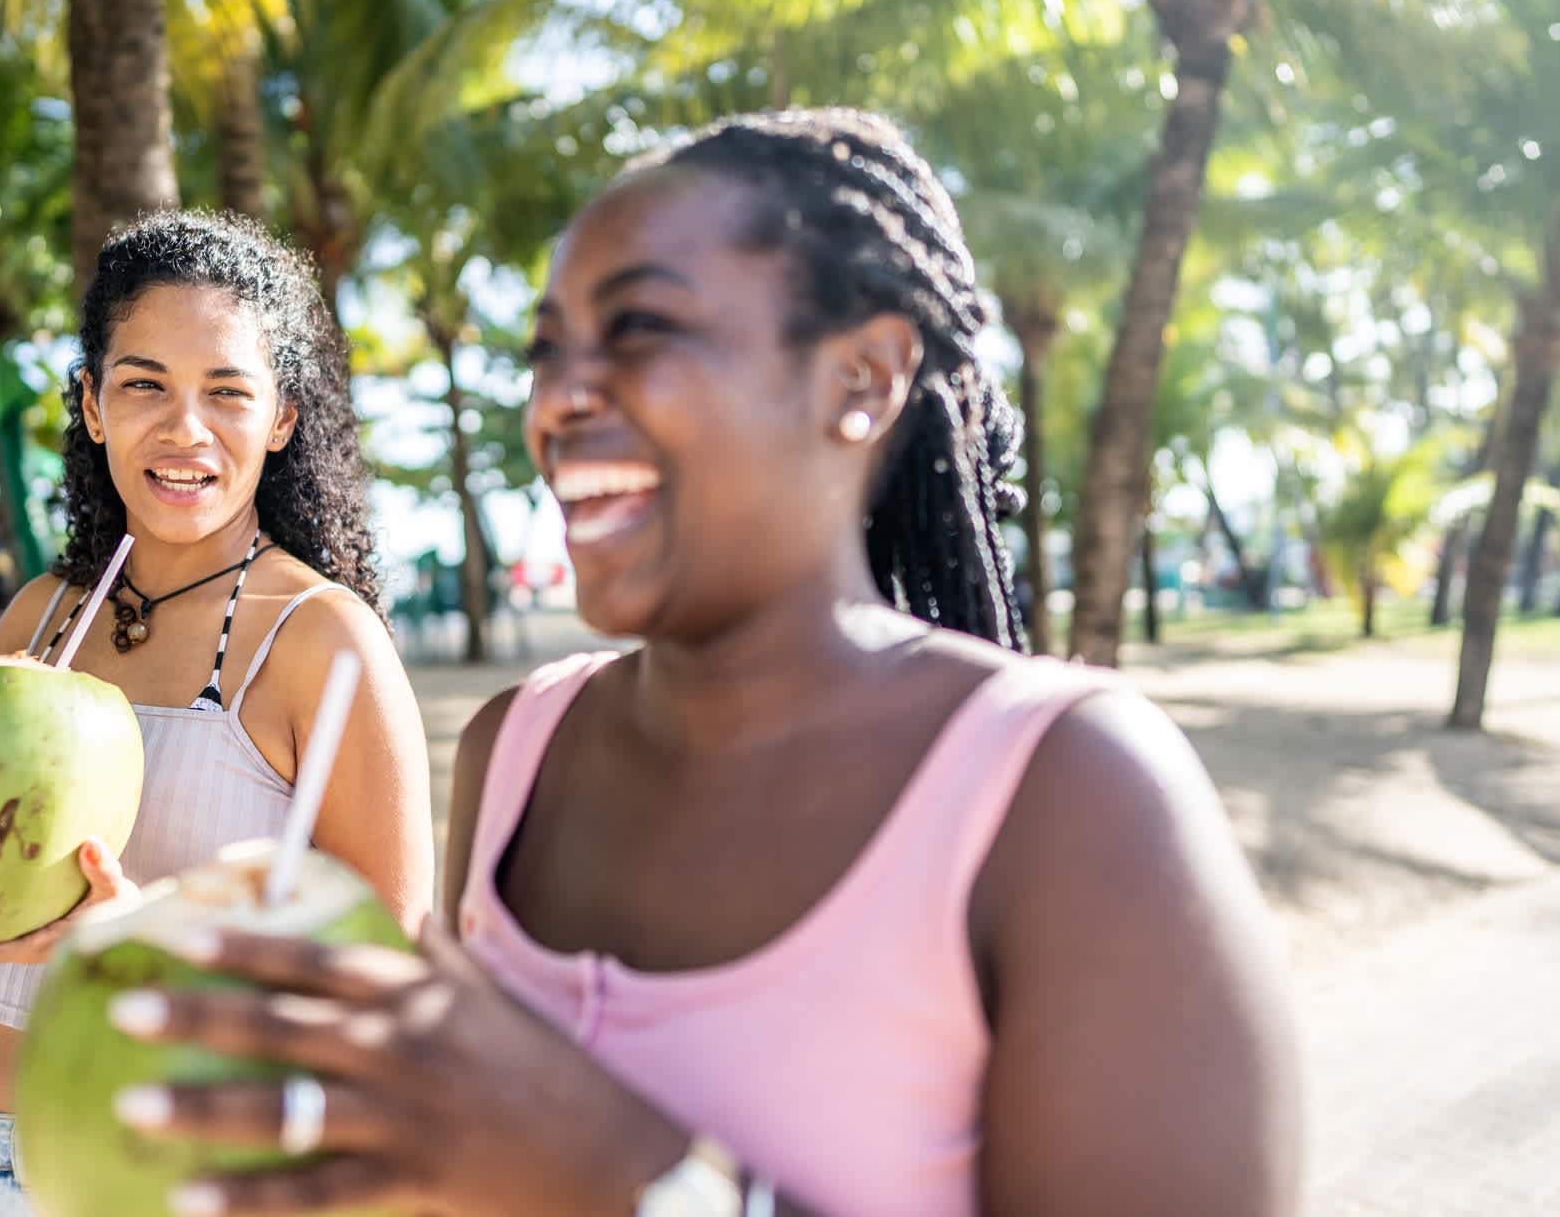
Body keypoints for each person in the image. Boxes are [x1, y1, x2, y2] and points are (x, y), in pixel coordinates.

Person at [99, 110, 1303, 1216]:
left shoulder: (1068, 793)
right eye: (548, 350)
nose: (563, 401)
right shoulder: (519, 750)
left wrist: (642, 1177)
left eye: (640, 330)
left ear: (861, 378)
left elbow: (557, 1160)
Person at [0, 211, 434, 1217]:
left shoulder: (321, 642)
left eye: (227, 392)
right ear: (90, 404)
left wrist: (143, 930)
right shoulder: (46, 617)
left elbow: (387, 988)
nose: (184, 429)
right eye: (143, 385)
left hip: (144, 1181)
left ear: (283, 417)